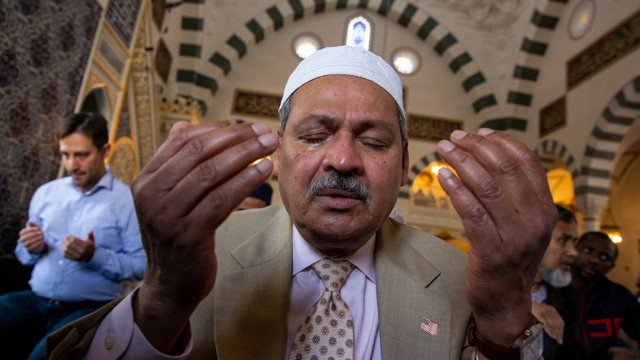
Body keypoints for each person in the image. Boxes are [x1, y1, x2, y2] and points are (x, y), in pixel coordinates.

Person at [48, 46, 556, 359]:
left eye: (374, 142)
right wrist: (162, 296)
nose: (342, 159)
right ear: (279, 153)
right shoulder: (201, 252)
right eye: (314, 135)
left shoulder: (458, 278)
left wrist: (503, 319)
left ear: (404, 169)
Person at [0, 113, 146, 360]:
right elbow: (23, 257)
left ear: (105, 151)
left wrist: (94, 256)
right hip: (34, 300)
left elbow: (141, 267)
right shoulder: (46, 194)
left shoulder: (127, 201)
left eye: (81, 155)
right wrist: (30, 248)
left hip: (87, 310)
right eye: (65, 154)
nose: (72, 165)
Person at [530, 205, 587, 359]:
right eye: (563, 240)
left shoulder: (568, 296)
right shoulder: (490, 288)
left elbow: (574, 351)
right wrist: (523, 309)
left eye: (574, 242)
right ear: (534, 242)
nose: (573, 252)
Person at [573, 231, 640, 359]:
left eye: (604, 257)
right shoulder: (551, 291)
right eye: (588, 250)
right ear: (575, 249)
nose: (594, 260)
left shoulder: (620, 298)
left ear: (611, 266)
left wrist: (633, 353)